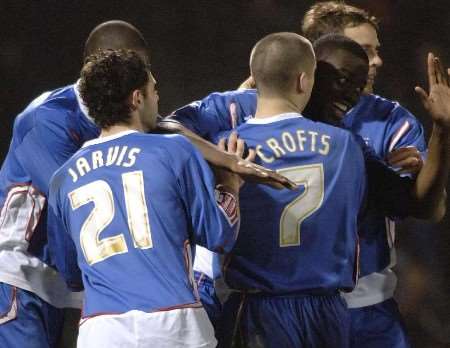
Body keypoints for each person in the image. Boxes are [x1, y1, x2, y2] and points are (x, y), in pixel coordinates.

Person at [0, 18, 293, 348]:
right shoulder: (44, 123)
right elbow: (214, 230)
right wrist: (227, 178)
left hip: (96, 307)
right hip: (23, 275)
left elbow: (162, 129)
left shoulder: (73, 169)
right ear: (135, 95)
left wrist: (226, 158)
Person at [47, 48, 242, 348]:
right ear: (137, 98)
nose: (158, 99)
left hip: (102, 332)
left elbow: (71, 274)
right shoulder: (174, 150)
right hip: (173, 324)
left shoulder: (62, 178)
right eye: (154, 90)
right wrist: (230, 183)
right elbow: (219, 236)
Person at [208, 31, 368, 348]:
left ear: (254, 79)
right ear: (303, 81)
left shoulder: (226, 149)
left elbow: (216, 231)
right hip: (327, 309)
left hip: (259, 308)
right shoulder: (345, 145)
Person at [301, 3, 429, 347]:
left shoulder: (393, 120)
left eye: (377, 51)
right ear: (324, 55)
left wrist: (441, 139)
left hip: (367, 302)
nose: (376, 61)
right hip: (293, 299)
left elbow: (426, 206)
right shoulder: (274, 111)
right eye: (364, 51)